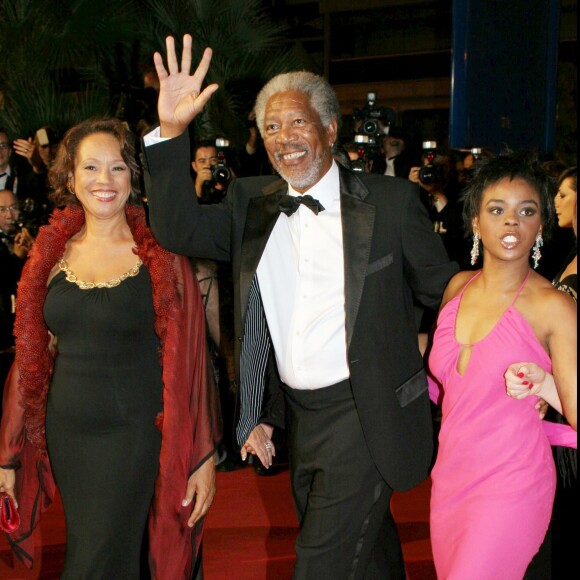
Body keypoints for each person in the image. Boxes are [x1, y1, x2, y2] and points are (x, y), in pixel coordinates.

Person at [143, 34, 458, 578]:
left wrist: (436, 341)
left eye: (296, 123)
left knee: (320, 562)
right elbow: (176, 226)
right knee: (367, 550)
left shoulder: (389, 203)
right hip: (299, 415)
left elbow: (443, 287)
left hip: (368, 409)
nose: (283, 139)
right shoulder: (253, 203)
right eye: (270, 127)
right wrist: (172, 132)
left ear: (330, 129)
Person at [0, 118, 221, 579]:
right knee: (102, 550)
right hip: (70, 435)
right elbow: (31, 357)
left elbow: (194, 363)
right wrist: (9, 453)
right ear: (70, 177)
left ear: (133, 178)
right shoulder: (49, 255)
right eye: (91, 168)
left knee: (98, 558)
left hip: (136, 434)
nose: (104, 181)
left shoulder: (163, 253)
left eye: (118, 168)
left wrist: (201, 455)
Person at [427, 151, 577, 579]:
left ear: (541, 226)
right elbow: (446, 384)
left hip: (513, 481)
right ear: (476, 221)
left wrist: (546, 384)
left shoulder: (553, 307)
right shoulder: (457, 288)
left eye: (526, 211)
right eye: (497, 210)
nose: (511, 222)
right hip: (451, 479)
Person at [0, 190, 34, 408]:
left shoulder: (29, 236)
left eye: (14, 208)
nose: (10, 215)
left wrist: (33, 255)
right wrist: (15, 258)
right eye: (3, 210)